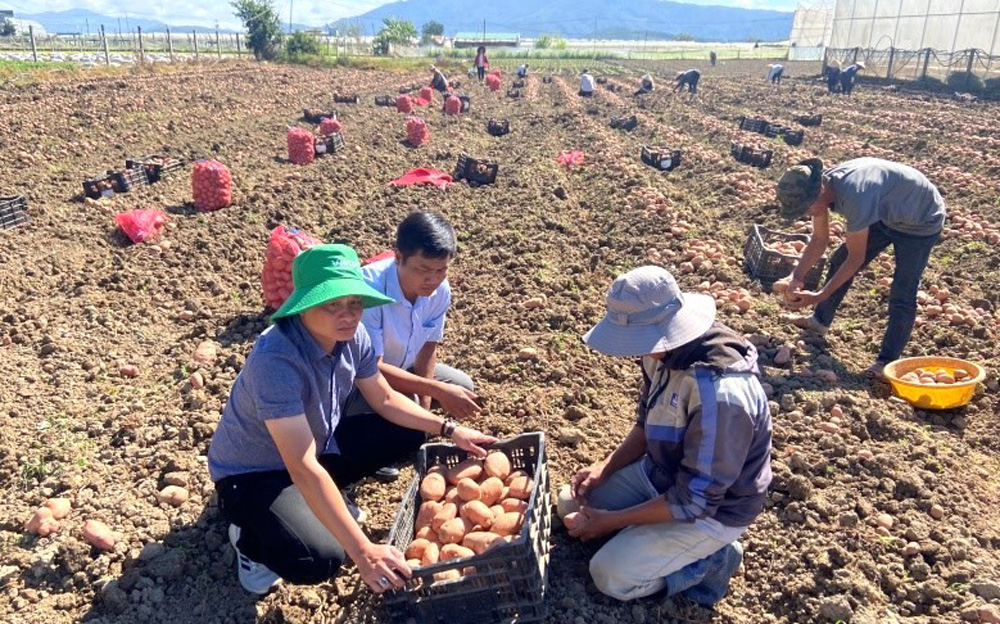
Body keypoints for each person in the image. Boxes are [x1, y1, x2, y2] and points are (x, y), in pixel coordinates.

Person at [207, 244, 496, 595]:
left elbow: (385, 398)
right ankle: (250, 539)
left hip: (316, 446)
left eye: (355, 303)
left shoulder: (351, 336)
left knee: (410, 431)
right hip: (255, 474)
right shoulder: (277, 360)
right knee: (322, 557)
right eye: (332, 304)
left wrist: (449, 429)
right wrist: (363, 552)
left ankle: (317, 504)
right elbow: (300, 466)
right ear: (304, 305)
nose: (347, 315)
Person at [565, 266, 773, 606]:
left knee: (610, 575)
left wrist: (612, 522)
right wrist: (606, 467)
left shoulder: (720, 396)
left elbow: (696, 500)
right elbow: (647, 423)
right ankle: (643, 537)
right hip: (663, 474)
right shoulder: (660, 355)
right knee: (571, 504)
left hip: (713, 511)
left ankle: (712, 561)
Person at [775, 158, 947, 378]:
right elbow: (819, 239)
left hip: (920, 219)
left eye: (805, 208)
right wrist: (796, 277)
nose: (806, 213)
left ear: (820, 190)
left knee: (903, 290)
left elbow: (856, 259)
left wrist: (820, 294)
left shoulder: (855, 196)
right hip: (886, 212)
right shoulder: (823, 188)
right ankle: (819, 322)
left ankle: (887, 363)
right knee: (839, 258)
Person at [343, 212, 481, 480]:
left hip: (401, 366)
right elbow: (374, 367)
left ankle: (407, 425)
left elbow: (429, 346)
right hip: (358, 380)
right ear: (398, 257)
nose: (433, 279)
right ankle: (363, 451)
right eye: (423, 270)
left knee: (462, 387)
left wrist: (426, 409)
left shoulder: (439, 290)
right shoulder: (368, 290)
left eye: (441, 270)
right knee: (405, 424)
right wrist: (436, 392)